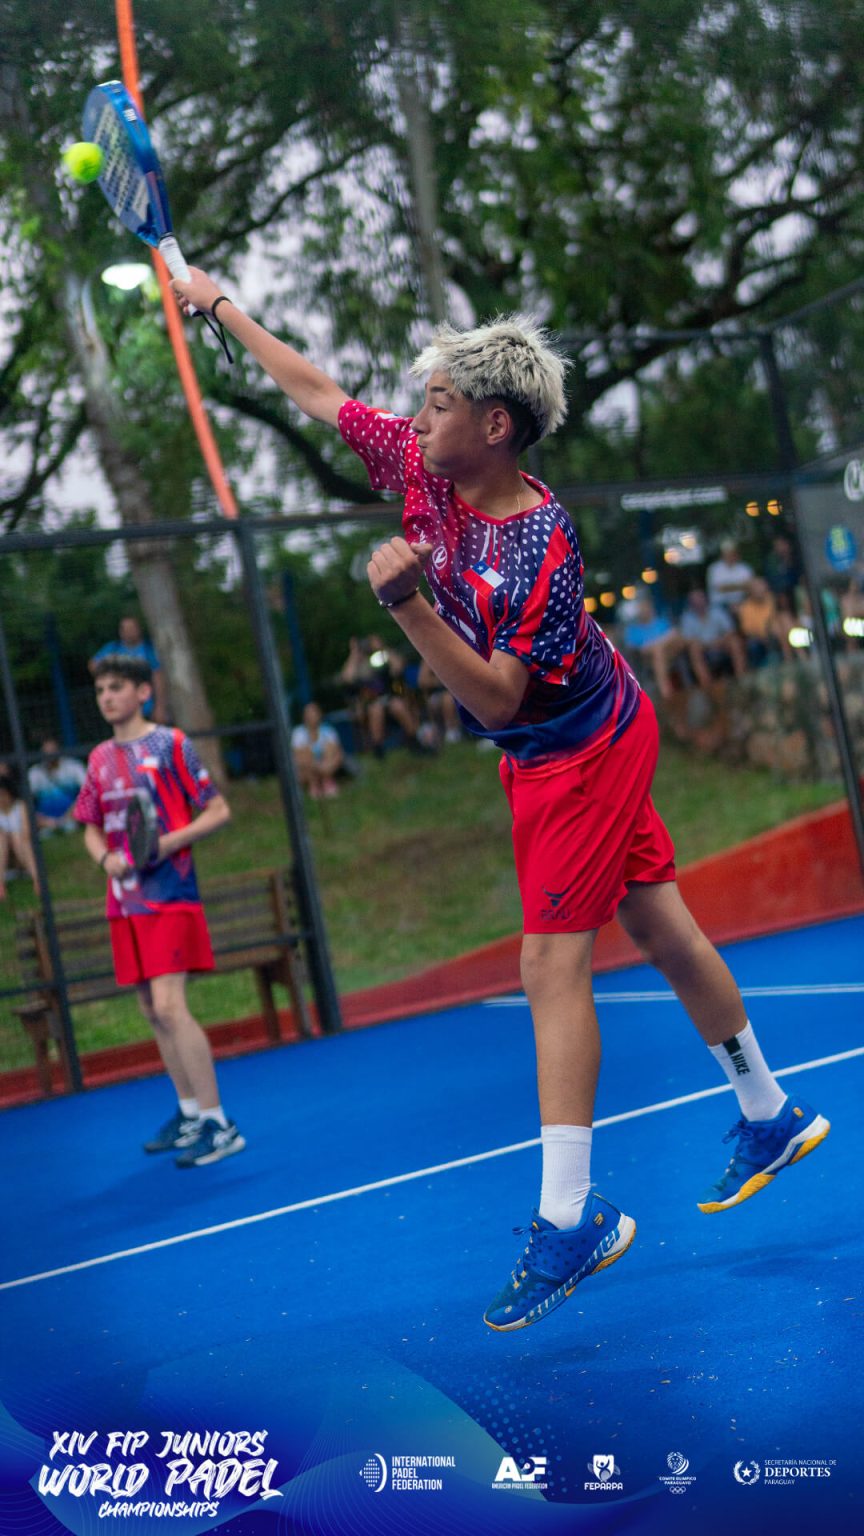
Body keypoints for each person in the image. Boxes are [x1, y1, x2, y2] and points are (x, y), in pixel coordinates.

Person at [171, 271, 831, 1329]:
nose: (416, 414)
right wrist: (216, 305)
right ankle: (770, 1114)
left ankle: (571, 1219)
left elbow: (494, 695)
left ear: (493, 425)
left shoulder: (543, 546)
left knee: (546, 965)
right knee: (660, 927)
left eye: (436, 401)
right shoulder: (418, 461)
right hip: (558, 744)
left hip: (581, 747)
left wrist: (407, 607)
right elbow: (315, 388)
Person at [74, 653, 244, 1168]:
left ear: (143, 692)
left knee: (171, 1006)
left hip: (170, 892)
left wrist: (167, 843)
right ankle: (190, 1112)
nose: (107, 697)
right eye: (101, 690)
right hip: (124, 901)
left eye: (117, 687)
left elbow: (218, 810)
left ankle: (220, 1124)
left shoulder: (171, 744)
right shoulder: (99, 758)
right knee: (152, 1010)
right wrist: (104, 858)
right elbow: (90, 826)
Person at [339, 634, 423, 756]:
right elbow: (347, 678)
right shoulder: (357, 666)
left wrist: (382, 648)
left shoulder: (381, 658)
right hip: (368, 706)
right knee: (376, 709)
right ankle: (378, 747)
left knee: (397, 705)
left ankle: (413, 739)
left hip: (389, 700)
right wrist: (354, 652)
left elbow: (398, 667)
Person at [89, 616, 168, 723]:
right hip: (121, 710)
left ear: (138, 629)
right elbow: (93, 664)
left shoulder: (148, 650)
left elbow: (158, 678)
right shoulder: (113, 648)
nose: (128, 632)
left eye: (131, 628)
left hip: (146, 708)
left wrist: (159, 707)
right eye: (124, 629)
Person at [621, 591, 688, 700]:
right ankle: (667, 693)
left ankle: (667, 692)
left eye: (647, 606)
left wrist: (658, 643)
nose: (645, 610)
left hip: (670, 651)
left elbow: (675, 634)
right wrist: (660, 643)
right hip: (647, 657)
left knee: (671, 642)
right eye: (642, 607)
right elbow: (639, 649)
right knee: (658, 651)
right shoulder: (633, 629)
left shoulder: (661, 622)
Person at [679, 588, 747, 684]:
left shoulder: (717, 611)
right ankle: (707, 684)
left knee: (735, 642)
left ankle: (741, 677)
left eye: (700, 599)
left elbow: (730, 630)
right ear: (691, 604)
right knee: (694, 649)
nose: (698, 603)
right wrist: (707, 645)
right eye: (694, 601)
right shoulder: (687, 618)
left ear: (705, 599)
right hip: (703, 647)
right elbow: (688, 640)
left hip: (722, 642)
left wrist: (719, 641)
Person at [28, 738, 87, 832]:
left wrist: (70, 815)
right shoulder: (35, 772)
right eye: (46, 752)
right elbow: (26, 802)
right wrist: (44, 821)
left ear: (59, 750)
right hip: (45, 822)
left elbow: (87, 792)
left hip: (73, 817)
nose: (50, 755)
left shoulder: (74, 766)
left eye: (53, 751)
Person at [735, 576, 794, 666]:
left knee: (784, 618)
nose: (761, 590)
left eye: (762, 587)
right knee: (777, 625)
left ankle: (795, 655)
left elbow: (777, 615)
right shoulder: (745, 608)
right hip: (761, 636)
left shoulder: (770, 599)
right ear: (751, 591)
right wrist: (762, 635)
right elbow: (747, 631)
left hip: (778, 630)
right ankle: (791, 657)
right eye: (757, 588)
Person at [0, 766, 40, 899]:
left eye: (3, 794)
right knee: (1, 838)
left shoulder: (20, 806)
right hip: (5, 855)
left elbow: (27, 833)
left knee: (18, 837)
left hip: (22, 850)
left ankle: (37, 879)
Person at [291, 701, 345, 798]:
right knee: (305, 751)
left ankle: (326, 781)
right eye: (309, 713)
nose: (312, 716)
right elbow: (297, 758)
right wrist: (319, 768)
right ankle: (315, 783)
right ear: (304, 717)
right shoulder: (298, 733)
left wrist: (327, 767)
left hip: (327, 767)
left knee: (329, 747)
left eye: (314, 713)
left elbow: (338, 753)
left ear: (320, 715)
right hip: (307, 770)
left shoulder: (328, 731)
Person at [706, 539, 754, 614]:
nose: (730, 556)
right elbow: (720, 588)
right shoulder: (714, 568)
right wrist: (742, 586)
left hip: (741, 602)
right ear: (722, 555)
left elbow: (751, 587)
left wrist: (728, 586)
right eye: (727, 553)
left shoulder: (745, 568)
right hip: (720, 604)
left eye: (732, 553)